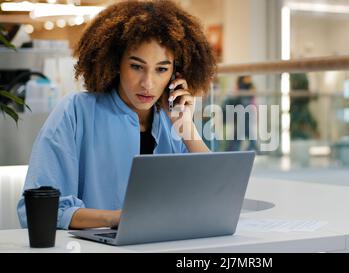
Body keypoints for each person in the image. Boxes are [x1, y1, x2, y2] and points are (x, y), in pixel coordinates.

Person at [17, 0, 216, 230]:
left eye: (161, 69)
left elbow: (216, 197)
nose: (148, 83)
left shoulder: (172, 121)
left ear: (175, 73)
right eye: (136, 66)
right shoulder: (75, 111)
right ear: (115, 63)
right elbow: (35, 210)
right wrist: (116, 219)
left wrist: (187, 130)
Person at [225, 75, 258, 152]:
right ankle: (253, 148)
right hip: (243, 111)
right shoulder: (243, 84)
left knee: (242, 133)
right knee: (242, 133)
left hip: (245, 111)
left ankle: (232, 150)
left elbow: (252, 97)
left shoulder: (248, 85)